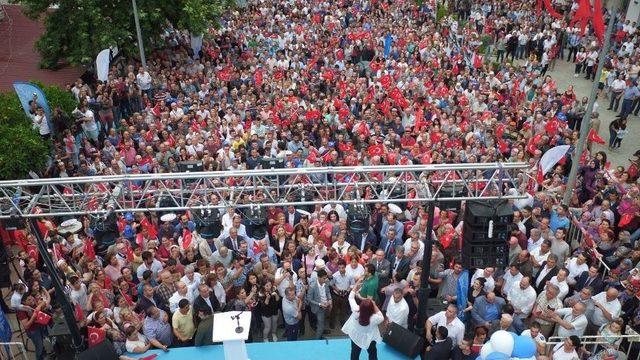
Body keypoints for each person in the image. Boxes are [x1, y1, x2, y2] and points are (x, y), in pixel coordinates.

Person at [341, 279, 384, 360]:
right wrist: (374, 305)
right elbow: (382, 317)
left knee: (354, 353)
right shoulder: (374, 318)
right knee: (372, 353)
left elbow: (351, 297)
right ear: (371, 309)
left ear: (360, 306)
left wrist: (356, 284)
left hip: (356, 335)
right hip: (370, 337)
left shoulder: (355, 310)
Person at [16, 293, 48, 360]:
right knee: (39, 347)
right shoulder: (21, 311)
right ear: (23, 302)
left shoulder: (32, 302)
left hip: (40, 325)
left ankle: (44, 354)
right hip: (33, 331)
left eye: (31, 298)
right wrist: (33, 317)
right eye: (29, 300)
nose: (32, 300)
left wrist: (39, 306)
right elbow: (26, 326)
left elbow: (44, 302)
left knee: (41, 342)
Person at [308, 269, 332, 339]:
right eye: (324, 278)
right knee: (321, 324)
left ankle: (320, 332)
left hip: (326, 305)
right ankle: (317, 339)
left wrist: (330, 299)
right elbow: (309, 299)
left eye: (326, 278)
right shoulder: (312, 286)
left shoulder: (326, 283)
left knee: (323, 321)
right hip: (318, 308)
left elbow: (328, 292)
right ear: (318, 277)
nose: (325, 280)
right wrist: (319, 304)